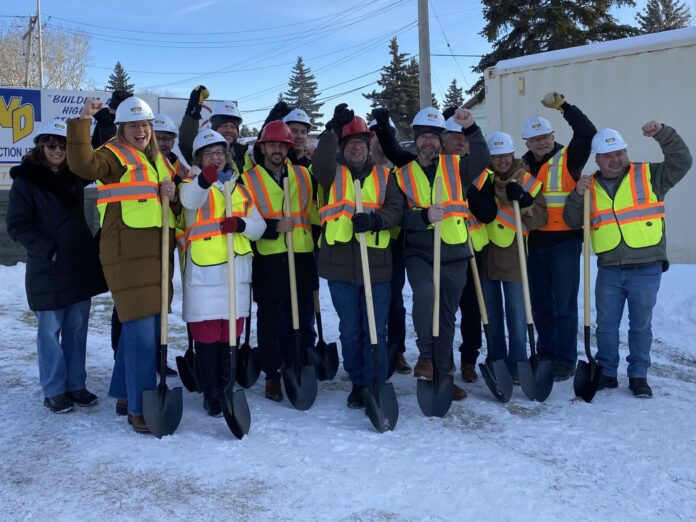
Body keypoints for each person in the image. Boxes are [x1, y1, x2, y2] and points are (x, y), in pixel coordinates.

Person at [67, 96, 180, 434]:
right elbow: (82, 165)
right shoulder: (111, 155)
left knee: (142, 325)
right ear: (122, 128)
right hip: (125, 252)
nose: (141, 131)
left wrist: (173, 190)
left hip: (158, 252)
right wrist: (82, 122)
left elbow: (179, 189)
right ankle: (138, 407)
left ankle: (121, 393)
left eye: (145, 124)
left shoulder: (159, 158)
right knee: (142, 329)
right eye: (134, 125)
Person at [563, 123, 692, 398]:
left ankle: (638, 376)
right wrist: (576, 195)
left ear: (626, 153)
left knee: (640, 325)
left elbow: (682, 161)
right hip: (609, 268)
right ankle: (607, 373)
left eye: (620, 152)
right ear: (597, 159)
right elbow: (572, 221)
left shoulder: (650, 175)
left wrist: (663, 134)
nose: (615, 159)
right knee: (606, 325)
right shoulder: (589, 187)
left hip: (646, 266)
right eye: (608, 155)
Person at [377, 106, 491, 401]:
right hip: (419, 251)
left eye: (433, 137)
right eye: (423, 137)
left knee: (447, 315)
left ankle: (444, 373)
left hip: (454, 251)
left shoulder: (457, 166)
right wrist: (425, 217)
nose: (428, 142)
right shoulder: (401, 175)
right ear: (415, 141)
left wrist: (471, 128)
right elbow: (400, 215)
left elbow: (482, 159)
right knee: (425, 296)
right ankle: (425, 357)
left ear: (441, 141)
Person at [6, 118, 107, 413]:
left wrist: (104, 121)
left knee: (76, 329)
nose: (58, 149)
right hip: (47, 269)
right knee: (49, 332)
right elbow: (17, 225)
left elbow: (99, 155)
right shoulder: (26, 180)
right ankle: (54, 390)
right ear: (40, 146)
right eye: (51, 143)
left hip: (77, 266)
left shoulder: (74, 175)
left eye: (63, 144)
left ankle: (76, 385)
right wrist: (47, 250)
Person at [312, 106, 403, 407]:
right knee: (350, 330)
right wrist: (331, 129)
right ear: (342, 146)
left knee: (376, 328)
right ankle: (358, 381)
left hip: (376, 265)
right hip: (340, 266)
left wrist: (377, 221)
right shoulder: (330, 173)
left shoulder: (384, 174)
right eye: (351, 142)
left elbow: (395, 208)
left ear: (368, 147)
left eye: (362, 143)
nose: (357, 147)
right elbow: (320, 160)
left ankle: (374, 380)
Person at [179, 129, 265, 416]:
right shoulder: (192, 183)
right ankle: (211, 390)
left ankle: (227, 385)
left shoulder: (239, 189)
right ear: (199, 159)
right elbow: (191, 201)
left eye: (220, 152)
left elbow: (259, 227)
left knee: (230, 333)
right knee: (206, 333)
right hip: (205, 275)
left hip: (236, 273)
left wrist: (241, 225)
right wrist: (206, 177)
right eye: (209, 154)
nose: (216, 158)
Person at [240, 120, 318, 402]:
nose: (277, 150)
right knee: (270, 318)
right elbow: (246, 220)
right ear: (262, 148)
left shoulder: (302, 175)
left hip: (300, 254)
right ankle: (271, 374)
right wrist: (273, 228)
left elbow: (313, 211)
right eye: (272, 145)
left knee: (300, 316)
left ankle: (295, 364)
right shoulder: (248, 180)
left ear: (288, 148)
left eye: (282, 145)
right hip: (268, 257)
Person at [522, 92, 597, 381]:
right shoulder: (522, 166)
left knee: (564, 304)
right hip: (534, 242)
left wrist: (565, 107)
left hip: (565, 241)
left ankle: (565, 359)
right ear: (527, 142)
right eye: (536, 138)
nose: (542, 141)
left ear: (553, 136)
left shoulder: (569, 157)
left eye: (546, 136)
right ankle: (546, 353)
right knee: (541, 303)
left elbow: (587, 132)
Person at [480, 132, 547, 381]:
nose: (502, 161)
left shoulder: (527, 181)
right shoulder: (482, 180)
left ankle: (518, 361)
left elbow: (541, 217)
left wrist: (526, 203)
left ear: (513, 154)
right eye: (496, 156)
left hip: (514, 253)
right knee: (491, 313)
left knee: (517, 312)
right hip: (486, 252)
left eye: (506, 155)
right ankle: (497, 360)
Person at [441, 110, 495, 383]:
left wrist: (465, 188)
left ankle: (469, 360)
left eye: (464, 138)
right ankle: (445, 359)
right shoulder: (434, 170)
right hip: (446, 250)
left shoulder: (481, 175)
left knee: (472, 310)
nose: (460, 142)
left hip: (474, 250)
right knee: (446, 310)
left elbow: (488, 214)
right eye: (454, 137)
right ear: (444, 140)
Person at [367, 116, 411, 374]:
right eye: (375, 135)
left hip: (394, 244)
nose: (381, 140)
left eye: (386, 135)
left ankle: (398, 351)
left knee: (394, 301)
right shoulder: (361, 167)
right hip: (366, 243)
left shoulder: (401, 168)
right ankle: (370, 349)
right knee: (368, 301)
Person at [179, 86, 253, 174]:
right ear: (214, 129)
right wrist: (193, 109)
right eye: (224, 125)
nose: (229, 130)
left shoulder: (248, 154)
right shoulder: (204, 153)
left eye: (233, 127)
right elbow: (186, 142)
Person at [153, 113, 188, 183]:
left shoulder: (183, 171)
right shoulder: (139, 164)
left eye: (165, 138)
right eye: (155, 138)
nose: (160, 143)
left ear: (173, 143)